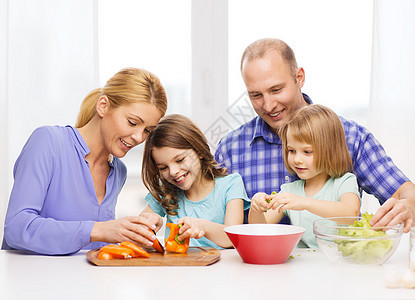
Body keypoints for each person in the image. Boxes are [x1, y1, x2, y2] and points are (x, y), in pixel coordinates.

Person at [215, 38, 415, 232]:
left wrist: (409, 206)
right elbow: (212, 220)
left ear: (299, 78)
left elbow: (402, 193)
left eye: (276, 90)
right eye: (256, 95)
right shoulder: (231, 149)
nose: (268, 105)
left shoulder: (351, 137)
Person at [2, 67, 168, 255]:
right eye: (132, 122)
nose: (139, 137)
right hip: (32, 281)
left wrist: (136, 233)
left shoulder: (117, 172)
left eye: (148, 130)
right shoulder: (48, 142)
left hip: (86, 283)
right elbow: (16, 228)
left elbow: (90, 248)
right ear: (103, 106)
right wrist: (99, 230)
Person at [249, 104, 360, 248]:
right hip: (302, 266)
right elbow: (260, 229)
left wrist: (305, 203)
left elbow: (350, 214)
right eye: (292, 151)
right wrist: (256, 208)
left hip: (339, 263)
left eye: (307, 152)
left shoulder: (344, 182)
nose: (297, 160)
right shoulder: (289, 192)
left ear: (330, 151)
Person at [141, 114, 250, 249]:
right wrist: (149, 224)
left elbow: (233, 238)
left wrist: (202, 226)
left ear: (199, 151)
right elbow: (139, 231)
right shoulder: (165, 190)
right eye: (163, 167)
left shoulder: (230, 185)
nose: (173, 171)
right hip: (177, 268)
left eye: (180, 160)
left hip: (221, 268)